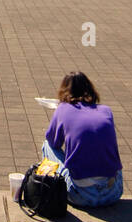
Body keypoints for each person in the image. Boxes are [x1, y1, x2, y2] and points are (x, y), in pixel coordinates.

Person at [41, 72, 123, 208]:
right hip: (113, 192)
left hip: (80, 194)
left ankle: (49, 188)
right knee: (104, 148)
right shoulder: (106, 111)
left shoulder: (63, 109)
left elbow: (53, 141)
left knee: (47, 146)